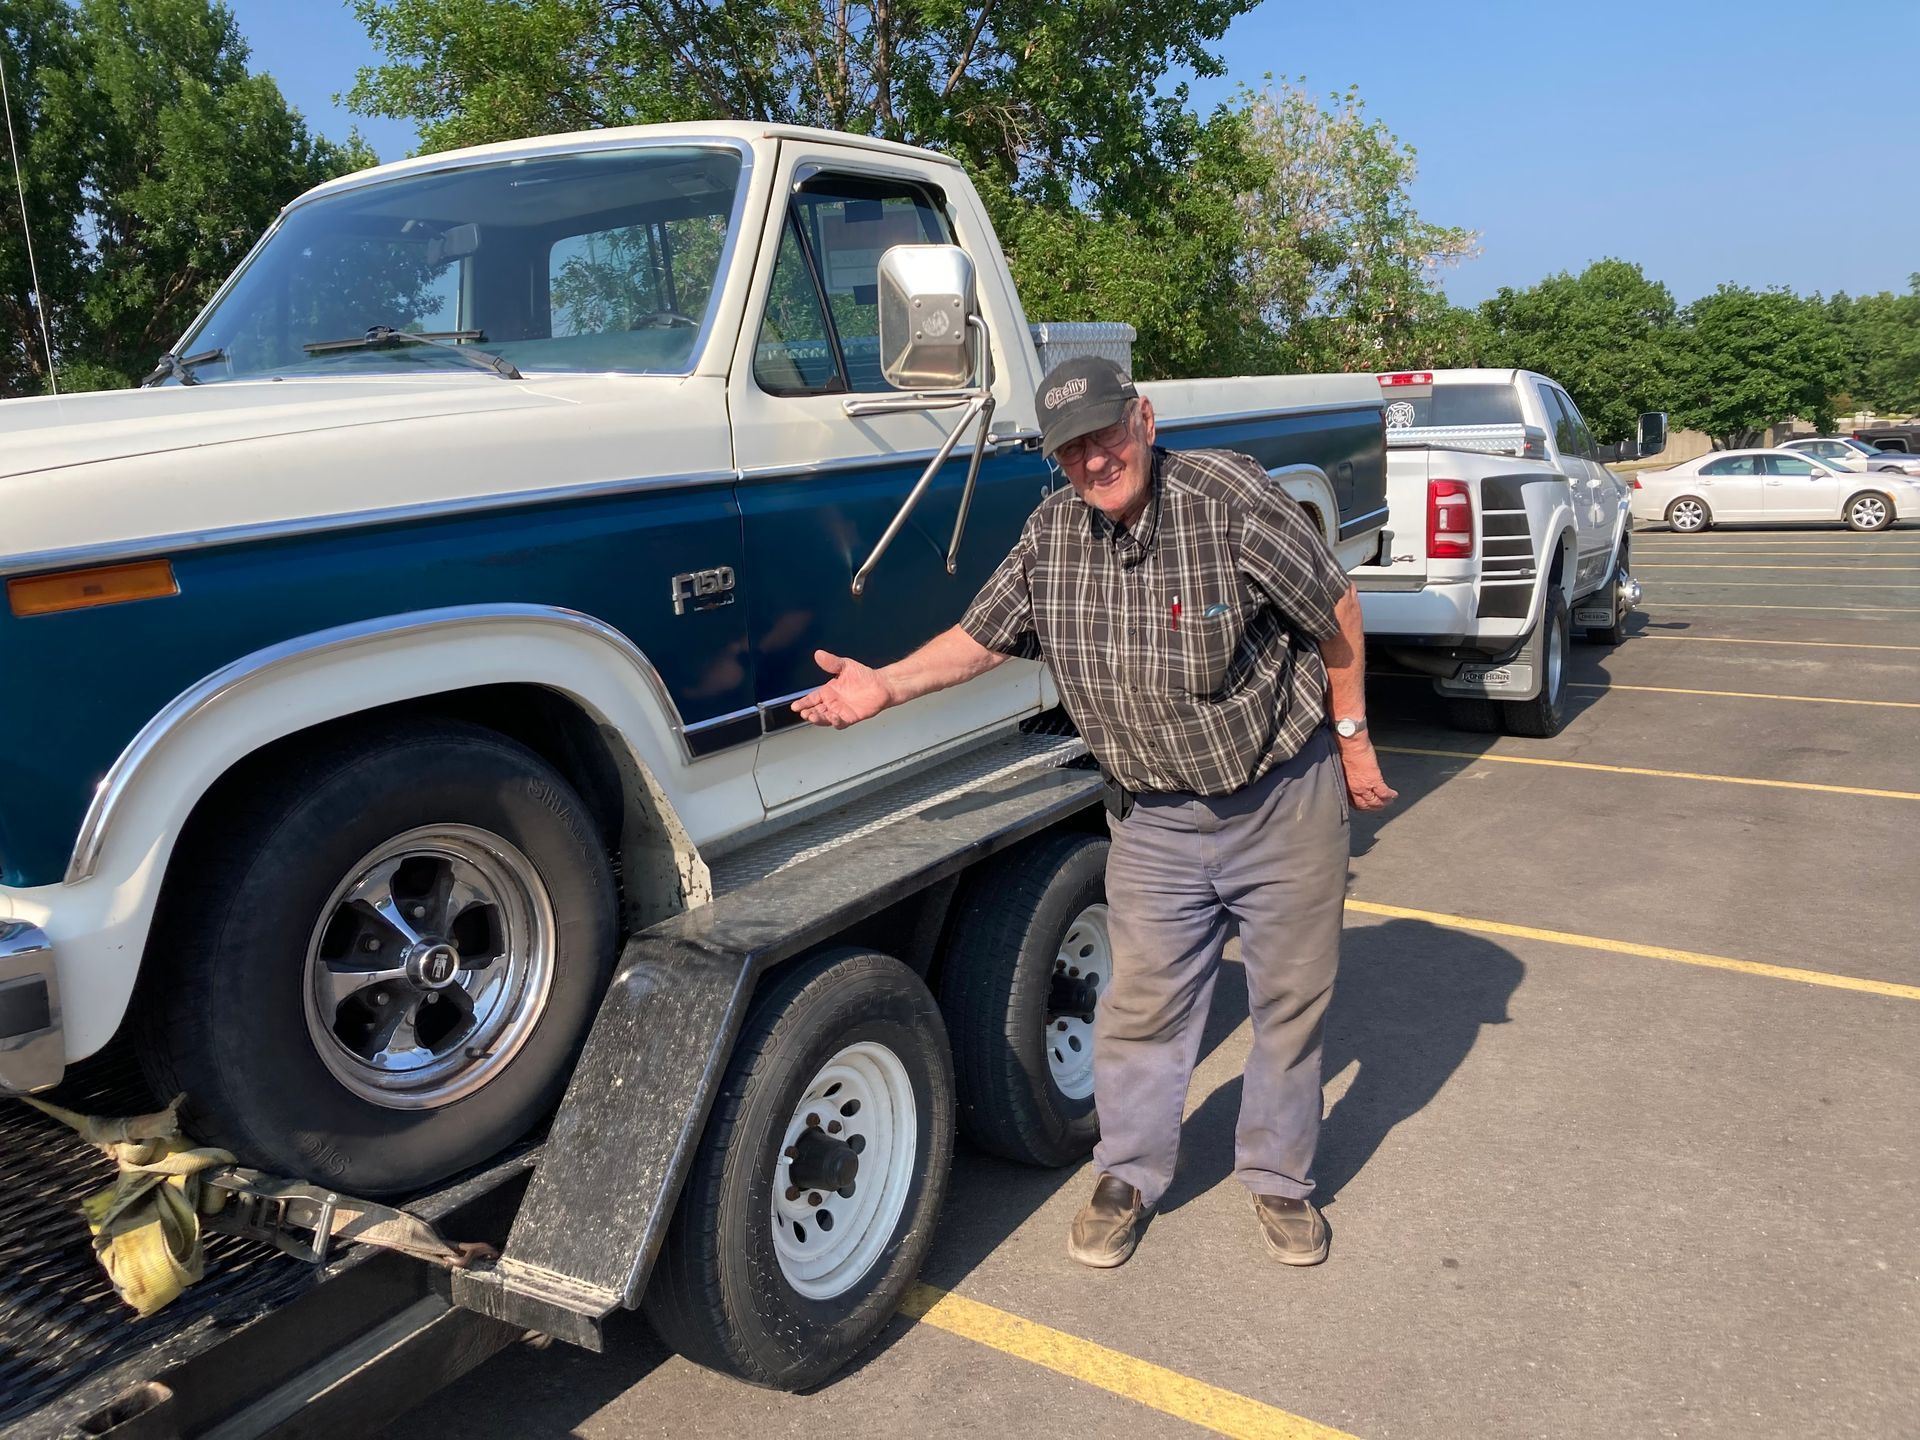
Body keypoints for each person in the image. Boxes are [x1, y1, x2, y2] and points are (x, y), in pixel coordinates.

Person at [792, 356, 1397, 1268]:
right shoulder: (1051, 534)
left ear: (1144, 419)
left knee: (1288, 1003)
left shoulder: (1227, 496)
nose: (1094, 460)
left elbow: (1334, 606)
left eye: (1106, 435)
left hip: (1281, 796)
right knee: (1142, 1009)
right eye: (1072, 449)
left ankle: (1278, 1178)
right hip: (1155, 819)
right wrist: (885, 685)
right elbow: (980, 637)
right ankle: (1129, 1172)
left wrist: (1351, 739)